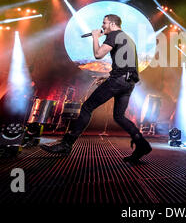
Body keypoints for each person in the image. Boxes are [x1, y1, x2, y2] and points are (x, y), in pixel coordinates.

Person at [41, 14, 151, 163]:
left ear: (112, 24)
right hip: (128, 83)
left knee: (87, 107)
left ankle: (66, 144)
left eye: (104, 23)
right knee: (119, 116)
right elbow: (127, 65)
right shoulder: (127, 38)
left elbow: (98, 54)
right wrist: (108, 75)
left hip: (118, 81)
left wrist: (95, 37)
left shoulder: (113, 35)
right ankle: (142, 144)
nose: (102, 26)